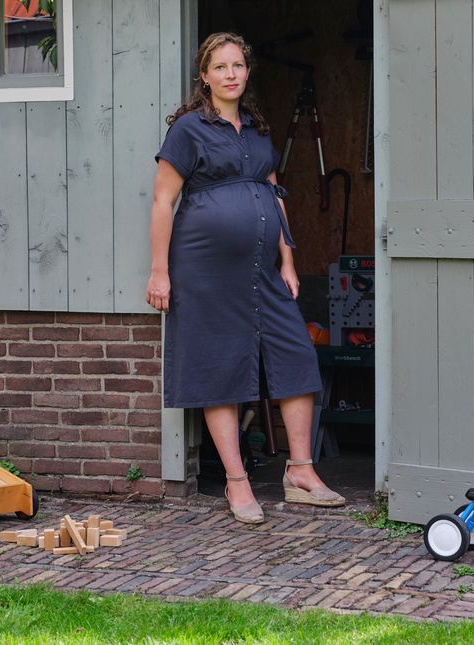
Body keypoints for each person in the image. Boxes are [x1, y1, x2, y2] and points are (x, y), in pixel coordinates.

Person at [147, 31, 345, 524]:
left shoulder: (257, 129)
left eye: (238, 65)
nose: (231, 74)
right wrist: (159, 272)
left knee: (297, 355)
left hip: (262, 267)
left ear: (247, 72)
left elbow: (273, 194)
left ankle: (301, 471)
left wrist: (289, 260)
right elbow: (163, 201)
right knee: (222, 367)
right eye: (220, 67)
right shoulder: (189, 130)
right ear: (204, 76)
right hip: (204, 269)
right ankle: (237, 483)